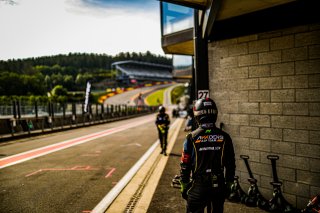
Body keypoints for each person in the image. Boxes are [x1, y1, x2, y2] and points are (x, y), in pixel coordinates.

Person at [179, 98, 235, 213]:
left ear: (197, 116)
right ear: (215, 114)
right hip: (218, 185)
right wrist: (229, 183)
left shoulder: (191, 137)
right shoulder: (225, 136)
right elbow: (230, 164)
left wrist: (184, 185)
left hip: (199, 186)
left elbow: (185, 165)